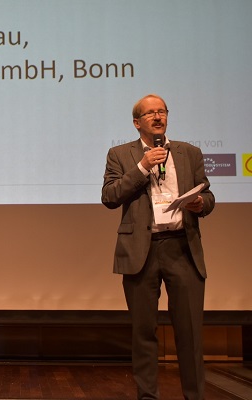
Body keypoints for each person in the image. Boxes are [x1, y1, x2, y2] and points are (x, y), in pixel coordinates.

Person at [101, 94, 215, 400]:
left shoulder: (189, 153)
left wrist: (201, 202)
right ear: (137, 122)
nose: (157, 116)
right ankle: (148, 396)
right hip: (142, 250)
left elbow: (208, 195)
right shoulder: (120, 154)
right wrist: (141, 167)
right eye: (150, 113)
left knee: (190, 332)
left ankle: (194, 396)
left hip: (182, 248)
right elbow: (109, 196)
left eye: (162, 111)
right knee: (144, 332)